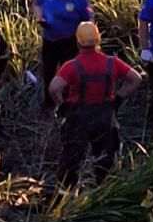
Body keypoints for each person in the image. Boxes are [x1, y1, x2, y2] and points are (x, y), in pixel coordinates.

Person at [49, 21, 142, 188]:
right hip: (105, 117)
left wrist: (62, 106)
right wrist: (118, 100)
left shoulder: (71, 66)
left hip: (77, 119)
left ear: (77, 42)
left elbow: (54, 88)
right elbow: (136, 79)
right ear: (98, 39)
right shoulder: (112, 62)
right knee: (105, 162)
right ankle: (103, 196)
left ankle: (64, 199)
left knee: (71, 163)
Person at [34, 0, 94, 110]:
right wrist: (39, 16)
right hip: (49, 38)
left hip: (69, 40)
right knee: (48, 70)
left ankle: (68, 102)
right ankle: (49, 102)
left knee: (68, 72)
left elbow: (89, 19)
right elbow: (37, 4)